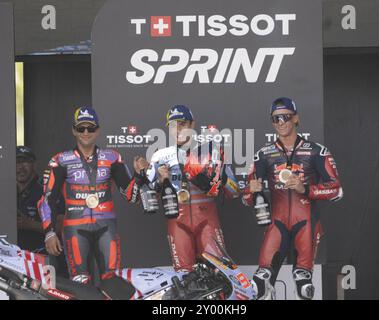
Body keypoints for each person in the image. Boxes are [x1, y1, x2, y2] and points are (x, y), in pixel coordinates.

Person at [243, 97, 343, 300]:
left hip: (305, 224)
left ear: (296, 118)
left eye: (285, 117)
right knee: (259, 284)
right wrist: (250, 191)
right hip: (277, 224)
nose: (281, 123)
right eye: (275, 119)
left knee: (304, 286)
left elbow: (336, 190)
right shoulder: (263, 154)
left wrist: (304, 188)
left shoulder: (317, 151)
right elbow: (247, 198)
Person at [38, 106, 144, 284]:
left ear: (98, 130)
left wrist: (139, 176)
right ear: (74, 130)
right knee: (80, 283)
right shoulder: (60, 160)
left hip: (106, 227)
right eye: (81, 128)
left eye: (90, 128)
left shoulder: (112, 158)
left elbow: (130, 196)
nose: (86, 132)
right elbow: (46, 199)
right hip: (75, 229)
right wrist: (49, 233)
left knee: (113, 283)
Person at [143, 105, 241, 272]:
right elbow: (147, 199)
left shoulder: (210, 150)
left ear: (192, 124)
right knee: (184, 276)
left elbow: (234, 191)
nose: (178, 129)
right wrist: (160, 182)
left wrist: (219, 176)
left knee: (219, 273)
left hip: (207, 220)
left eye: (182, 123)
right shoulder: (160, 155)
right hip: (177, 222)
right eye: (173, 125)